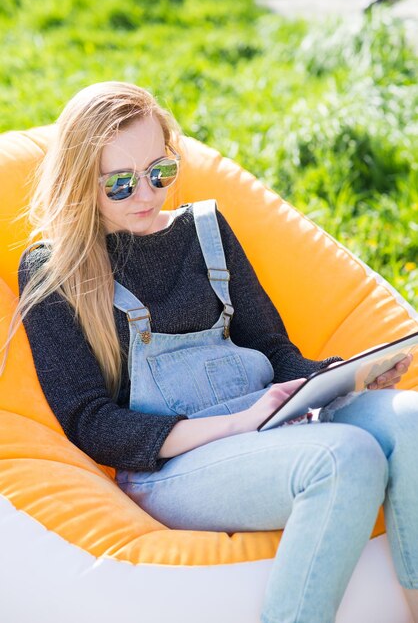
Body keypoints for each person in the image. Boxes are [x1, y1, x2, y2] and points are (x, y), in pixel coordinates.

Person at [4, 81, 418, 623]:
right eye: (121, 185)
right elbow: (91, 421)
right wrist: (231, 426)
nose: (148, 196)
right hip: (175, 462)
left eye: (160, 172)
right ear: (81, 184)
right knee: (345, 460)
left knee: (410, 419)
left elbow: (271, 345)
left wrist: (342, 378)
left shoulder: (205, 229)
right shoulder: (55, 271)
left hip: (267, 420)